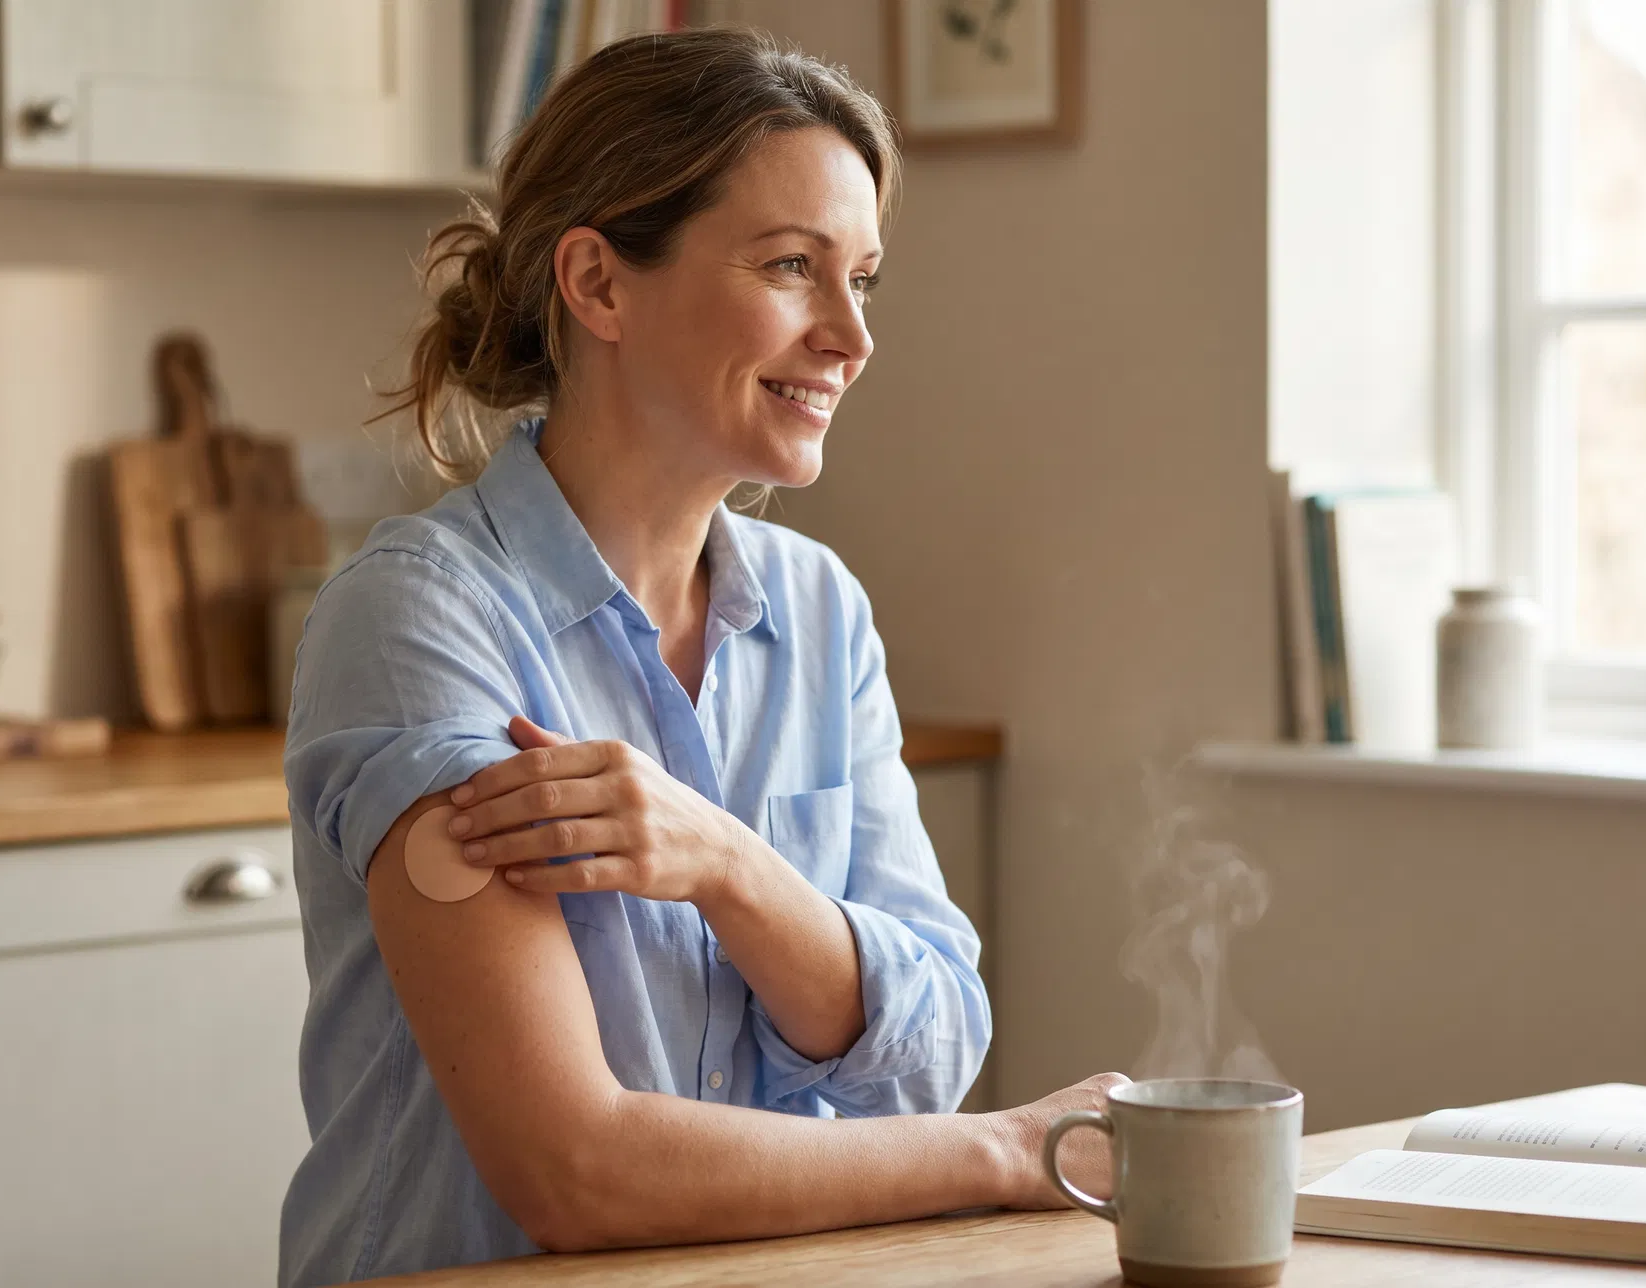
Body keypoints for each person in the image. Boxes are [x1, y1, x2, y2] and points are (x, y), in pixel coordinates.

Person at [278, 27, 1123, 1286]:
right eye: (793, 266)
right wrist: (1009, 1153)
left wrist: (728, 865)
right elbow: (577, 1167)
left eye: (863, 279)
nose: (852, 335)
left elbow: (933, 1041)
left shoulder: (821, 614)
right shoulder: (421, 627)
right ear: (599, 284)